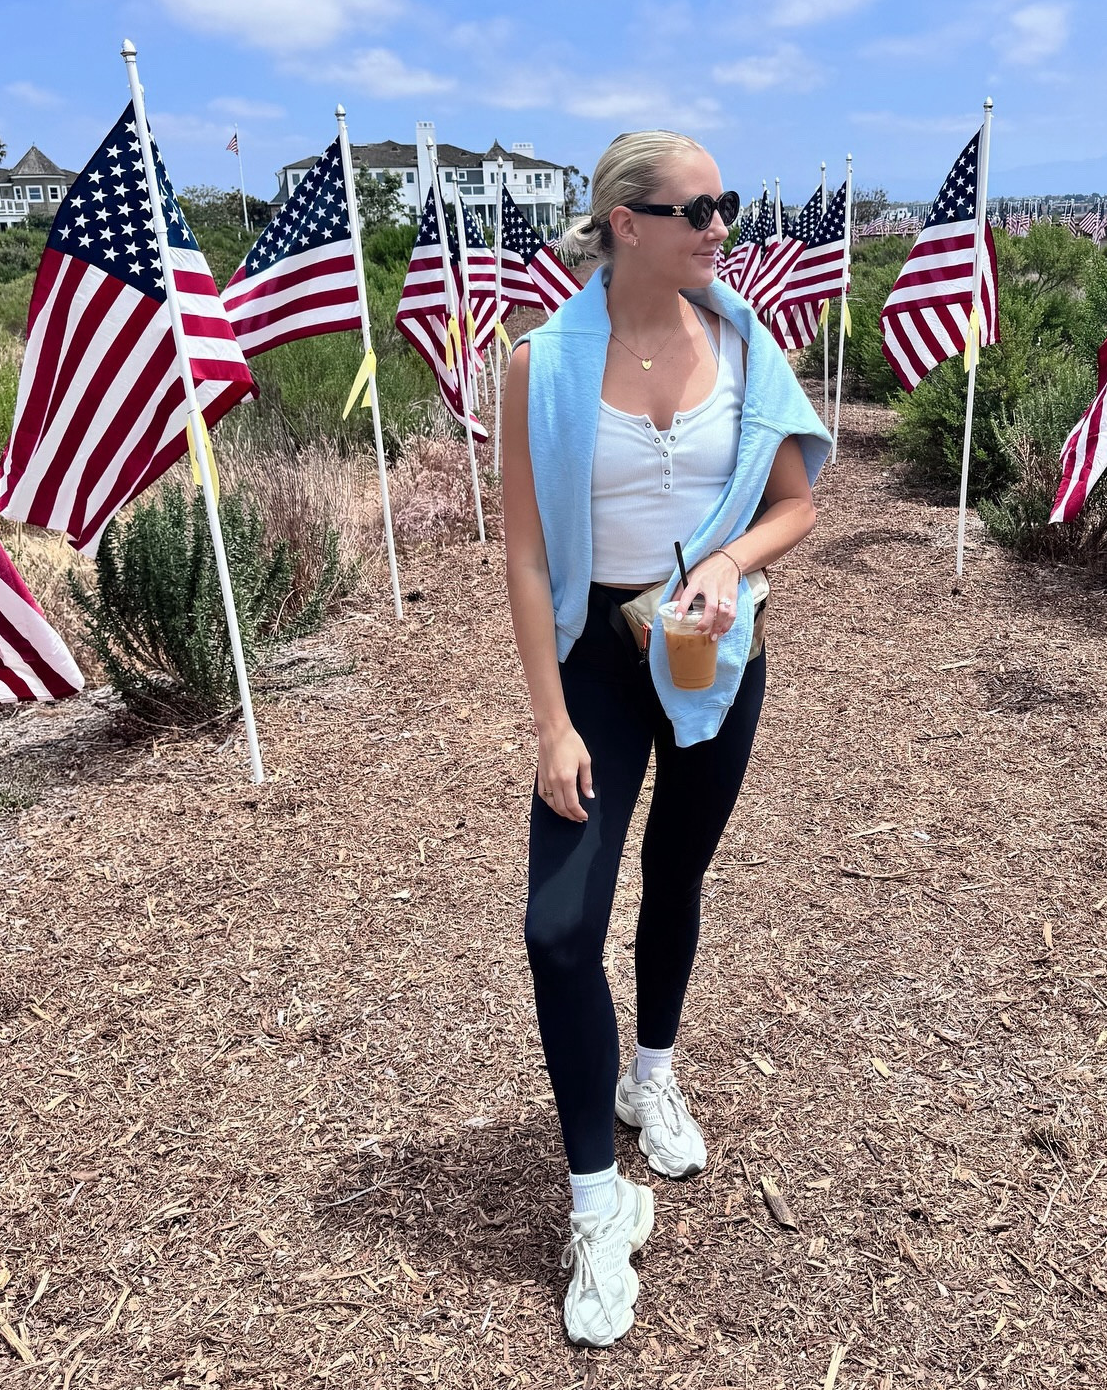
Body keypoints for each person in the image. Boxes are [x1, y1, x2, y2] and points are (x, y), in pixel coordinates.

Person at [502, 130, 831, 1347]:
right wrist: (549, 720)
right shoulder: (539, 364)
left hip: (710, 650)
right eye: (696, 207)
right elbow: (530, 556)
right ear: (626, 221)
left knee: (677, 873)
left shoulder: (746, 341)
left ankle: (653, 1069)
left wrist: (729, 570)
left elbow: (798, 501)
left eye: (727, 203)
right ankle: (600, 1203)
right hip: (597, 657)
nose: (720, 224)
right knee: (558, 926)